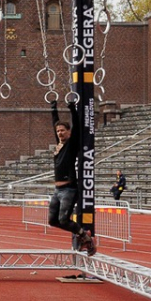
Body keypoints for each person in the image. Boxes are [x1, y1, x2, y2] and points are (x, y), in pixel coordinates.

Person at [47, 97, 94, 254]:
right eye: (58, 131)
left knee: (63, 219)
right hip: (57, 190)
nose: (60, 133)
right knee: (52, 221)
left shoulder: (72, 144)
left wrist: (72, 107)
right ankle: (81, 234)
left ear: (69, 132)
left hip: (69, 189)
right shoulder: (59, 144)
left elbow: (77, 124)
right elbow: (55, 122)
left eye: (63, 130)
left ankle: (84, 236)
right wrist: (53, 107)